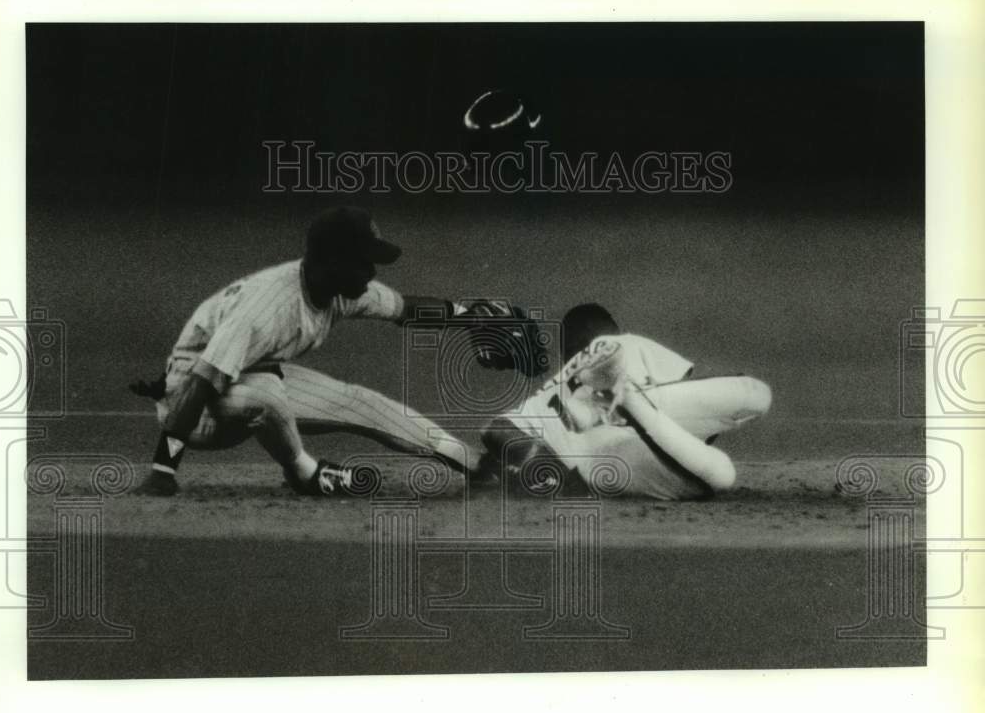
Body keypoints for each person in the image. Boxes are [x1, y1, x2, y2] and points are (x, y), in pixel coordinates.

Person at [131, 206, 524, 497]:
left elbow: (405, 308)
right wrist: (163, 468)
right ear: (332, 261)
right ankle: (304, 472)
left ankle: (476, 465)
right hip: (192, 405)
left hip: (251, 376)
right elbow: (199, 385)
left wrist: (466, 315)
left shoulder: (338, 288)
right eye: (364, 262)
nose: (371, 273)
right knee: (266, 394)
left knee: (361, 402)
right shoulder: (265, 310)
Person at [480, 303, 772, 500]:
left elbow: (494, 430)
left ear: (567, 355)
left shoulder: (552, 386)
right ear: (612, 332)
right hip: (622, 440)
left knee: (720, 476)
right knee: (755, 394)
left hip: (593, 462)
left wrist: (539, 466)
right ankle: (625, 401)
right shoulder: (627, 343)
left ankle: (619, 404)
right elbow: (693, 389)